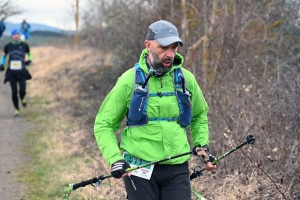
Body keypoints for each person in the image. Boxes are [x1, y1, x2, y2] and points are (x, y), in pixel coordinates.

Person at [94, 20, 216, 200]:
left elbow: (199, 115)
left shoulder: (186, 79)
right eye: (163, 48)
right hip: (138, 167)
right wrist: (115, 159)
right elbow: (103, 124)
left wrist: (201, 146)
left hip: (177, 166)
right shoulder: (129, 80)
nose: (170, 54)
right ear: (148, 45)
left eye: (174, 48)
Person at [0, 29, 33, 117]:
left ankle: (22, 98)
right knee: (14, 91)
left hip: (22, 71)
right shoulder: (8, 46)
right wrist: (1, 64)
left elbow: (30, 54)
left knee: (22, 91)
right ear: (12, 36)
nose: (16, 36)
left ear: (19, 36)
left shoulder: (25, 45)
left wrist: (29, 60)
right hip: (12, 72)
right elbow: (3, 56)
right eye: (14, 34)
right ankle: (16, 110)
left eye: (17, 34)